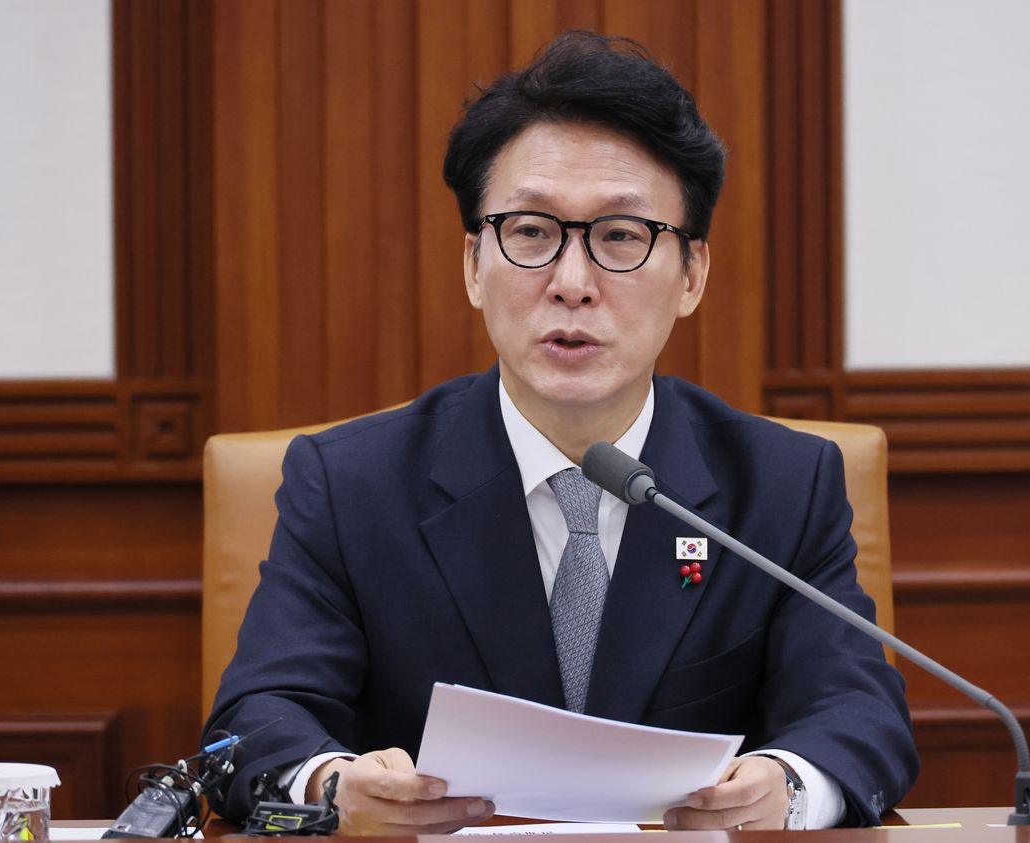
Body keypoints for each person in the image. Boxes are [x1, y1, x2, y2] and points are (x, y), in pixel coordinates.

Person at [203, 30, 918, 834]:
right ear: (474, 264)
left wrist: (785, 786)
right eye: (532, 232)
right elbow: (257, 718)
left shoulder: (783, 484)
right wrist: (333, 788)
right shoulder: (351, 484)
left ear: (693, 275)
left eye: (621, 236)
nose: (572, 284)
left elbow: (859, 714)